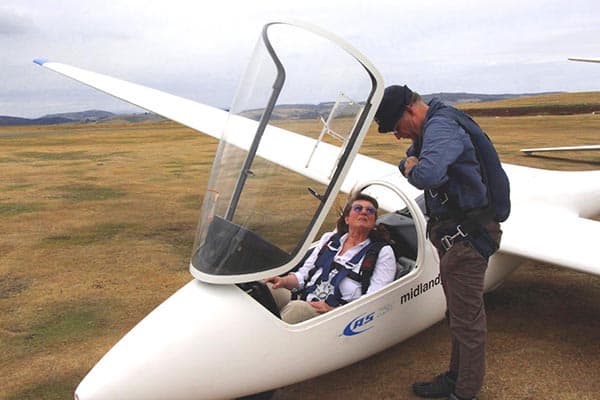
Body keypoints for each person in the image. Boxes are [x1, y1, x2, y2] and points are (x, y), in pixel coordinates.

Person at [375, 85, 507, 400]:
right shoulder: (431, 128)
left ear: (409, 110)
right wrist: (412, 163)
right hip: (455, 237)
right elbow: (408, 160)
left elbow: (427, 174)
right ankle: (455, 379)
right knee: (459, 317)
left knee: (468, 322)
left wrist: (413, 166)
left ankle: (464, 392)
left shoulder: (442, 126)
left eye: (396, 127)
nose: (397, 136)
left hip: (468, 238)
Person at [265, 193, 396, 324]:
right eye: (358, 208)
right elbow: (304, 274)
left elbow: (374, 299)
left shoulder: (382, 252)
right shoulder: (329, 240)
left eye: (370, 211)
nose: (364, 212)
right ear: (347, 219)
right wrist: (283, 280)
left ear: (374, 223)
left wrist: (333, 310)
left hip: (338, 317)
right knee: (264, 286)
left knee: (297, 309)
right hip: (304, 298)